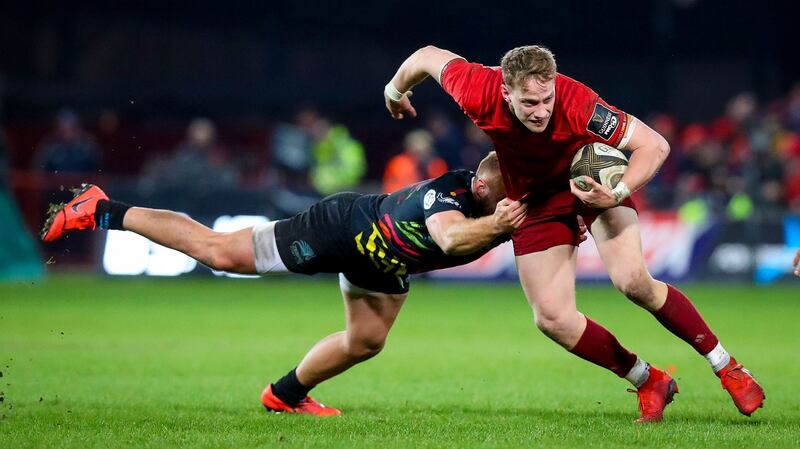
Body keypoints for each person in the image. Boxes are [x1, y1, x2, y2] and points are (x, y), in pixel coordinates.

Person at [383, 45, 764, 423]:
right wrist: (395, 91)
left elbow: (654, 145)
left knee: (633, 281)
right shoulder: (478, 88)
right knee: (552, 318)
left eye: (547, 99)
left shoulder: (579, 105)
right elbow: (425, 56)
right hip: (535, 201)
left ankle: (726, 366)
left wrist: (615, 192)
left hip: (589, 185)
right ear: (505, 91)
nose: (542, 111)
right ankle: (649, 380)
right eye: (530, 102)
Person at [41, 151, 550, 416]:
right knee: (219, 252)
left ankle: (284, 395)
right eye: (512, 192)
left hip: (381, 262)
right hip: (338, 230)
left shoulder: (506, 204)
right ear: (482, 186)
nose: (519, 199)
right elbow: (452, 238)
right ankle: (102, 208)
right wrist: (500, 226)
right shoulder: (453, 194)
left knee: (366, 342)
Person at [382, 129, 447, 193]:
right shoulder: (400, 163)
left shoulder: (436, 163)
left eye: (426, 150)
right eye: (418, 152)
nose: (423, 155)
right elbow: (407, 189)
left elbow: (441, 186)